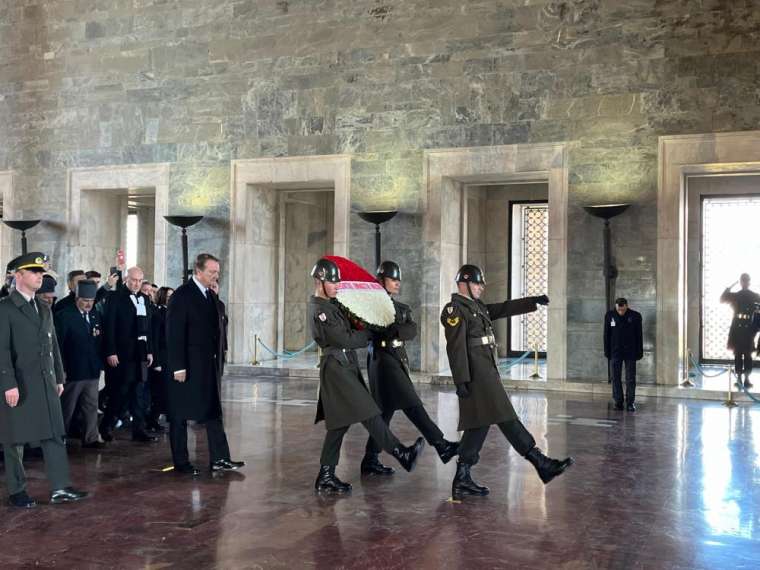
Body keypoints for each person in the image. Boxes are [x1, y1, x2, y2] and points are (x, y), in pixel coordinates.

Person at [441, 264, 573, 500]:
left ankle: (462, 478)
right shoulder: (454, 309)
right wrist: (461, 380)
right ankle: (540, 462)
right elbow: (456, 348)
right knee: (505, 416)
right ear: (464, 283)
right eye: (477, 283)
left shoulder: (476, 306)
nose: (481, 287)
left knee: (478, 424)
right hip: (477, 376)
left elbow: (502, 308)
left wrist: (532, 301)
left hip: (486, 372)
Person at [309, 257, 425, 494]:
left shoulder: (332, 305)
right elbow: (345, 339)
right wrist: (370, 334)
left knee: (339, 426)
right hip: (337, 369)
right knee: (370, 413)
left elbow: (350, 331)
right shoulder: (320, 310)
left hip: (344, 366)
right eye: (332, 283)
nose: (337, 286)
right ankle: (401, 453)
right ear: (319, 282)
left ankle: (326, 475)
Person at [0, 252, 88, 507]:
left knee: (54, 434)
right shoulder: (5, 308)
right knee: (14, 438)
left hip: (46, 381)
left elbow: (53, 346)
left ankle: (60, 487)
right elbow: (2, 350)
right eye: (35, 272)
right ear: (18, 276)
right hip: (19, 383)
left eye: (42, 273)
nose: (41, 277)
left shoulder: (44, 307)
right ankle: (17, 491)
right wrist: (8, 383)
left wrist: (59, 377)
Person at [362, 260, 458, 476]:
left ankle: (370, 459)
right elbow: (378, 330)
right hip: (382, 361)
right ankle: (441, 445)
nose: (397, 283)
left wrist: (394, 329)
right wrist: (395, 329)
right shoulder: (370, 306)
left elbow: (411, 330)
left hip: (395, 358)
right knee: (412, 403)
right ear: (381, 280)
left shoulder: (400, 308)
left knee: (384, 411)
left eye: (398, 280)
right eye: (393, 279)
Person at [166, 254, 244, 476]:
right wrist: (178, 366)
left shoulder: (209, 295)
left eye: (217, 272)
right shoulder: (182, 295)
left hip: (208, 366)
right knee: (179, 414)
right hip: (187, 367)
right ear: (197, 272)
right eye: (212, 272)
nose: (215, 276)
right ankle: (181, 462)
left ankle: (220, 458)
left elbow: (216, 325)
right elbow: (174, 334)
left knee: (213, 412)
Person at [99, 266, 156, 443]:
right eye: (133, 280)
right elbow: (109, 326)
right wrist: (110, 351)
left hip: (140, 353)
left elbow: (149, 327)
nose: (137, 284)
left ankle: (139, 430)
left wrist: (150, 350)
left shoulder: (145, 299)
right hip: (121, 353)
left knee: (139, 392)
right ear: (126, 279)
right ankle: (105, 426)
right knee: (119, 392)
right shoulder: (115, 297)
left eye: (140, 280)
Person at [55, 280, 105, 448]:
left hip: (91, 370)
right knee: (67, 408)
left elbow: (98, 340)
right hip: (73, 371)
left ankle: (91, 437)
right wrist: (62, 370)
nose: (88, 304)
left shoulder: (94, 314)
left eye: (91, 301)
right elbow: (59, 346)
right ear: (77, 298)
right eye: (85, 300)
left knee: (91, 406)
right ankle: (58, 439)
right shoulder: (65, 316)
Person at [604, 298, 643, 411]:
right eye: (618, 310)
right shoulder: (610, 315)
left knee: (630, 378)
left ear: (626, 306)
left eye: (622, 309)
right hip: (615, 351)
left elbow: (639, 335)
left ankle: (630, 402)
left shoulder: (635, 316)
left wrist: (639, 352)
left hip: (630, 352)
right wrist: (607, 351)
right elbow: (606, 335)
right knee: (615, 378)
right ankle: (618, 402)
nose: (620, 312)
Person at [721, 274, 760, 388]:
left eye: (746, 281)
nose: (745, 282)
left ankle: (747, 379)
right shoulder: (736, 295)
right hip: (737, 328)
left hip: (749, 328)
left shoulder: (755, 295)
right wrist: (730, 287)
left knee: (748, 354)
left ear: (749, 282)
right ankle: (738, 378)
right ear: (741, 282)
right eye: (743, 281)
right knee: (738, 354)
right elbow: (722, 299)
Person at [147, 286, 173, 432]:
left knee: (166, 392)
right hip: (161, 359)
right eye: (168, 296)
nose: (171, 298)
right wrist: (156, 362)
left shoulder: (171, 312)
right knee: (159, 393)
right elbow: (155, 339)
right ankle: (152, 420)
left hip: (169, 358)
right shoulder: (158, 314)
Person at [209, 281, 229, 376]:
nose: (212, 289)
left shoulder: (221, 304)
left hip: (220, 345)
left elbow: (223, 328)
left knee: (218, 374)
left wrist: (225, 346)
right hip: (208, 346)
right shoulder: (203, 303)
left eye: (215, 287)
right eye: (210, 287)